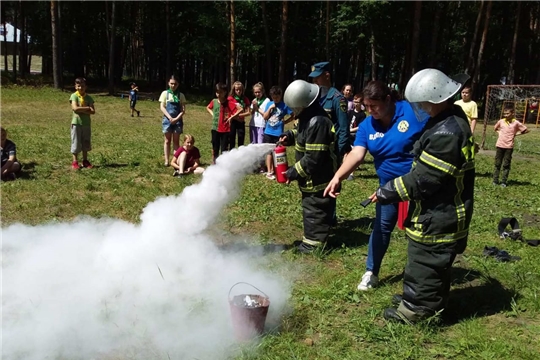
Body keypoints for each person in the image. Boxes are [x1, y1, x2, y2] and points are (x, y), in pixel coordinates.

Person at [368, 68, 475, 324]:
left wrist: (387, 191)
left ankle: (417, 312)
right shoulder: (449, 119)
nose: (421, 109)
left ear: (436, 99)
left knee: (425, 259)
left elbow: (424, 179)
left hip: (441, 214)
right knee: (433, 263)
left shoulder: (445, 134)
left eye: (423, 103)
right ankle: (424, 299)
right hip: (442, 209)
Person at [324, 81, 428, 291]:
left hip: (418, 185)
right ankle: (371, 272)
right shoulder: (367, 125)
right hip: (387, 188)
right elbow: (357, 153)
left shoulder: (413, 112)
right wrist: (338, 176)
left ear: (388, 100)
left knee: (421, 230)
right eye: (366, 106)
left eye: (374, 106)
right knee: (381, 227)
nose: (370, 111)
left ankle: (421, 275)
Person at [280, 80, 337, 253]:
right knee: (312, 205)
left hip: (318, 178)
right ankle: (318, 235)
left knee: (314, 206)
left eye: (295, 108)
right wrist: (289, 136)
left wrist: (292, 173)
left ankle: (313, 245)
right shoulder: (310, 117)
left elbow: (313, 159)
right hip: (312, 176)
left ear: (304, 104)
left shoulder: (317, 122)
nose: (293, 111)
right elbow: (302, 133)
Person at [309, 62, 351, 164]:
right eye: (313, 78)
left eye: (317, 77)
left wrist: (339, 151)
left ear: (327, 76)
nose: (314, 81)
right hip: (314, 148)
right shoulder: (314, 98)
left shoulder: (337, 99)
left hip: (331, 150)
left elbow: (344, 128)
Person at [261, 86, 294, 180]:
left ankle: (277, 169)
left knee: (277, 152)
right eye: (273, 97)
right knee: (268, 152)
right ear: (271, 96)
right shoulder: (269, 104)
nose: (275, 99)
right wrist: (270, 108)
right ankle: (269, 171)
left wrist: (286, 122)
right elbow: (265, 117)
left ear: (281, 96)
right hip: (268, 131)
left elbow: (293, 115)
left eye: (277, 97)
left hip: (278, 133)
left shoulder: (285, 105)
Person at [492, 106, 529, 187]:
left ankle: (503, 182)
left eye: (508, 113)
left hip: (509, 146)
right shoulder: (501, 121)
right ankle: (495, 180)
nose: (506, 115)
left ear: (512, 114)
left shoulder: (516, 123)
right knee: (497, 163)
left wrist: (516, 134)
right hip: (500, 145)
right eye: (504, 113)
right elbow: (495, 128)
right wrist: (499, 133)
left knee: (506, 164)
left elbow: (526, 130)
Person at [206, 83, 242, 163]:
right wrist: (213, 114)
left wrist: (232, 117)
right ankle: (214, 162)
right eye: (217, 92)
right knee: (215, 147)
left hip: (225, 130)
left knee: (224, 148)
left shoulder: (229, 102)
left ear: (225, 92)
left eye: (221, 92)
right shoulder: (214, 101)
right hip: (215, 128)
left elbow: (240, 109)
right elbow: (208, 107)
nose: (218, 94)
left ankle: (222, 164)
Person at [159, 75, 186, 166]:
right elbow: (162, 107)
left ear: (178, 84)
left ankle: (175, 160)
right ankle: (167, 160)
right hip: (167, 120)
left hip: (177, 121)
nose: (173, 86)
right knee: (167, 140)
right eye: (171, 83)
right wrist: (170, 118)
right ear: (168, 83)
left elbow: (183, 110)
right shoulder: (165, 94)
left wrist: (176, 119)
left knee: (176, 141)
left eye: (175, 84)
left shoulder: (181, 95)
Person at [69, 77, 95, 170]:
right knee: (75, 142)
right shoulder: (74, 96)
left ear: (86, 87)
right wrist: (87, 108)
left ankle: (85, 160)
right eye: (79, 86)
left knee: (85, 142)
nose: (81, 88)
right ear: (75, 87)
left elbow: (93, 111)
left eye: (83, 86)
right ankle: (75, 161)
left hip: (86, 124)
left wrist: (82, 110)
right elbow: (75, 108)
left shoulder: (89, 98)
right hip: (76, 123)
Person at [345, 93, 367, 181]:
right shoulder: (350, 112)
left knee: (353, 154)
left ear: (361, 103)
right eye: (354, 101)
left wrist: (351, 130)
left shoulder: (362, 115)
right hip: (348, 135)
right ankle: (345, 170)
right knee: (346, 153)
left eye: (357, 102)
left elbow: (360, 127)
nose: (355, 103)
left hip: (355, 136)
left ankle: (351, 173)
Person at [228, 81, 251, 149]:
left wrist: (239, 116)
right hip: (232, 122)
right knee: (231, 139)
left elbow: (248, 112)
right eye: (236, 90)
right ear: (233, 90)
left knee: (241, 138)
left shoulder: (245, 99)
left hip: (241, 122)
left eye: (240, 90)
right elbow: (228, 111)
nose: (238, 91)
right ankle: (232, 155)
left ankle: (240, 156)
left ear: (242, 90)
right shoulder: (230, 99)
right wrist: (234, 117)